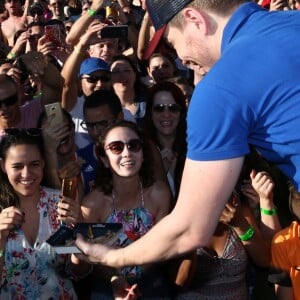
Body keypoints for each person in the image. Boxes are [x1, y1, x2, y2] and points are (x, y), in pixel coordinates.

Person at [74, 0, 300, 277]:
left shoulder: (219, 88)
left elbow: (190, 228)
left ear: (195, 19)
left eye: (172, 42)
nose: (180, 59)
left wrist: (115, 255)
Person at [71, 120, 172, 298]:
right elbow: (90, 260)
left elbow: (163, 246)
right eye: (116, 147)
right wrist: (116, 280)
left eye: (134, 145)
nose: (127, 153)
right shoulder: (93, 203)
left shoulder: (159, 193)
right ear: (104, 158)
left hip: (152, 282)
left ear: (142, 153)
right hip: (107, 286)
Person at [0, 128, 80, 298]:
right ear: (2, 165)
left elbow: (77, 272)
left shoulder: (60, 202)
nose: (26, 174)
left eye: (34, 164)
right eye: (17, 166)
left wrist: (78, 237)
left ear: (43, 163)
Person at [142, 81, 187, 198]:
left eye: (173, 108)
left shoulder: (194, 147)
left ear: (181, 112)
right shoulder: (139, 150)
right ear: (150, 113)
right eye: (159, 108)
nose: (166, 114)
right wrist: (159, 171)